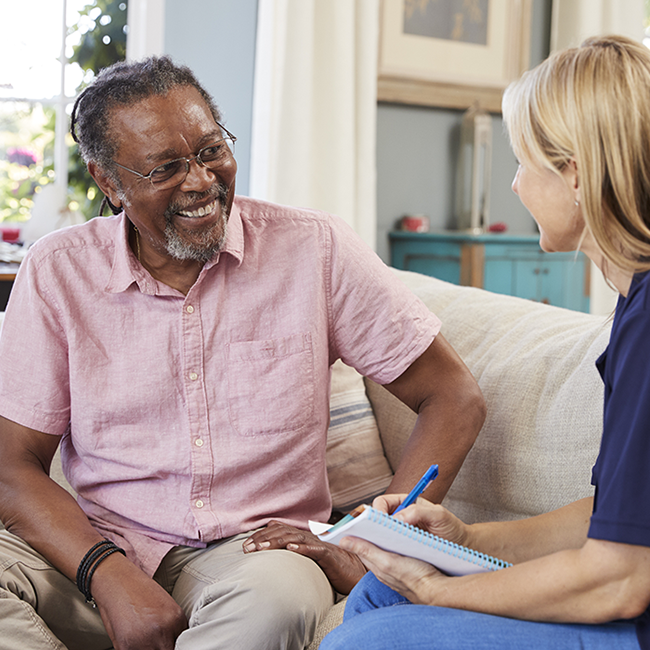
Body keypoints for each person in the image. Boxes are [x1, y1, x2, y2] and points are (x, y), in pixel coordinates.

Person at [0, 56, 485, 650]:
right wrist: (107, 573)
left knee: (277, 603)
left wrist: (374, 535)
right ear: (109, 183)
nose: (202, 181)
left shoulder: (315, 249)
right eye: (165, 168)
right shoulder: (58, 271)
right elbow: (13, 464)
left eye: (210, 151)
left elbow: (453, 395)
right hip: (100, 544)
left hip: (254, 555)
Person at [320, 35, 650, 650]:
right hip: (623, 584)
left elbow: (620, 579)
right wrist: (466, 541)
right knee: (378, 593)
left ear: (575, 174)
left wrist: (442, 591)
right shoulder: (636, 307)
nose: (518, 186)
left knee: (361, 642)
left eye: (524, 163)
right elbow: (616, 520)